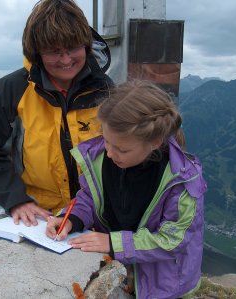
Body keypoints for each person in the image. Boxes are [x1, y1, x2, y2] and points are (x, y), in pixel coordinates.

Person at [46, 80, 207, 299]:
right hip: (118, 266)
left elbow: (173, 240)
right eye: (106, 141)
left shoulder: (181, 180)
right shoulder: (102, 158)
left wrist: (113, 243)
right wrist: (71, 218)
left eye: (121, 149)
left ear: (155, 141)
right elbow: (88, 198)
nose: (110, 153)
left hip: (161, 284)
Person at [0, 0, 113, 226]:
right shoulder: (11, 91)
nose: (66, 60)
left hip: (97, 216)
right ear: (37, 52)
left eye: (73, 48)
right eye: (54, 51)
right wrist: (15, 200)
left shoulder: (106, 90)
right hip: (36, 218)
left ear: (86, 44)